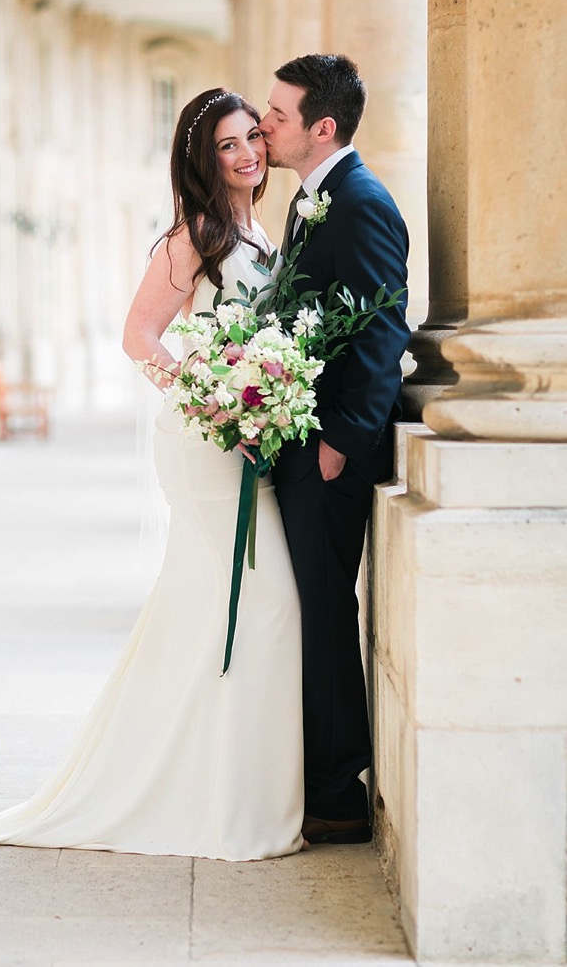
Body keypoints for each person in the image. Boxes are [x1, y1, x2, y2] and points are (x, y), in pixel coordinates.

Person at [0, 89, 304, 861]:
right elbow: (139, 335)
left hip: (247, 443)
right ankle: (211, 794)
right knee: (260, 605)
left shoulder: (262, 231)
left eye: (253, 137)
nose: (247, 154)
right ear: (202, 159)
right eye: (227, 145)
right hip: (206, 447)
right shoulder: (192, 237)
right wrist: (213, 400)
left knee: (224, 611)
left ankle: (226, 785)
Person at [259, 53, 408, 845]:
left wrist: (342, 443)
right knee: (307, 611)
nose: (263, 124)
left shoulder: (360, 203)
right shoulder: (308, 201)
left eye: (278, 115)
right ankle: (316, 776)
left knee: (323, 613)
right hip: (298, 443)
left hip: (328, 456)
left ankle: (338, 794)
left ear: (323, 127)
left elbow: (385, 330)